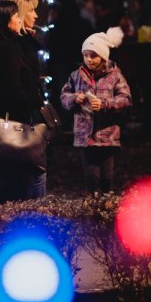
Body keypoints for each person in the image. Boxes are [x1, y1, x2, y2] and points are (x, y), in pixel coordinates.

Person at [0, 0, 46, 202]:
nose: (20, 19)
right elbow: (14, 89)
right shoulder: (6, 50)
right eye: (16, 16)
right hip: (15, 122)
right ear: (5, 20)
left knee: (14, 180)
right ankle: (22, 219)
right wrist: (33, 101)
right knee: (21, 182)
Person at [60, 27, 131, 193]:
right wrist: (74, 98)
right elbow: (64, 96)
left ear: (103, 56)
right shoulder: (76, 76)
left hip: (107, 134)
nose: (89, 59)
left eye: (93, 55)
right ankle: (94, 209)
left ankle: (106, 208)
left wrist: (105, 104)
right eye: (86, 55)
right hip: (85, 135)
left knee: (106, 177)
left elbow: (126, 98)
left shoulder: (115, 75)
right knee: (91, 176)